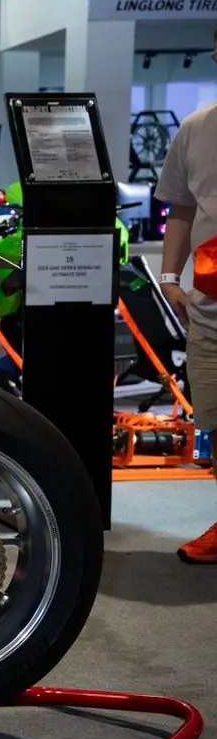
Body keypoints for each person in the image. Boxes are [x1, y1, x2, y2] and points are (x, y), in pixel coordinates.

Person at [156, 56, 217, 562]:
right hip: (210, 311)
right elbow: (182, 209)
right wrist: (170, 277)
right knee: (213, 422)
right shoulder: (196, 129)